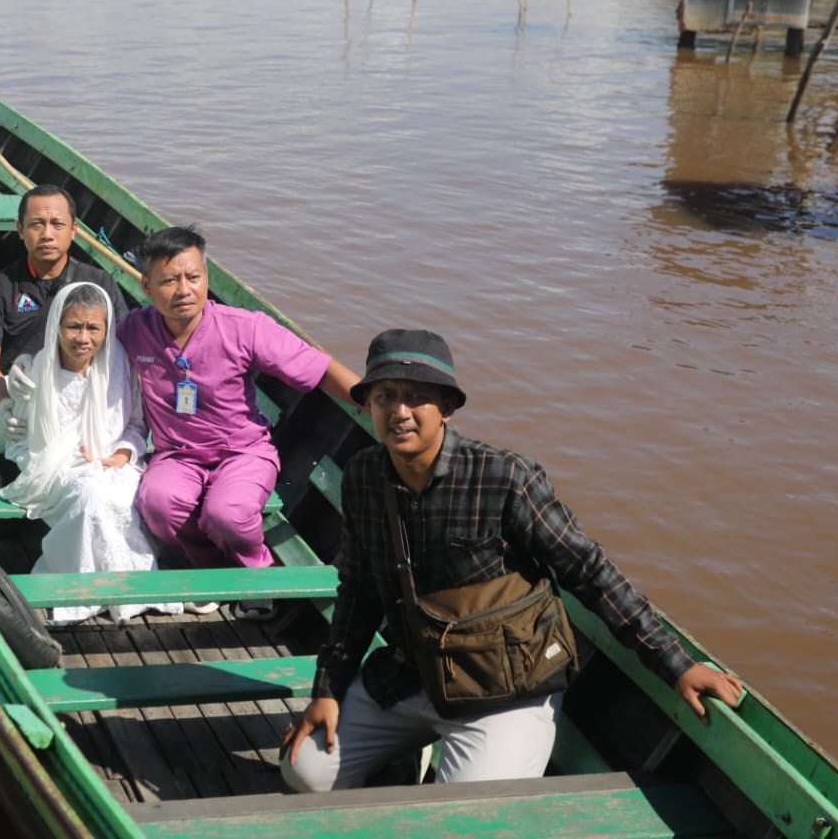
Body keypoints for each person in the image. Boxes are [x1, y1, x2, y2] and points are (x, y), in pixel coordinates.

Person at [281, 329, 745, 791]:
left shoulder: (505, 478)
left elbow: (590, 571)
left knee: (468, 823)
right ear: (369, 405)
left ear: (447, 408)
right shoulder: (364, 476)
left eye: (417, 397)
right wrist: (329, 689)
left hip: (503, 690)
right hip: (410, 674)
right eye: (385, 396)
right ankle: (401, 762)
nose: (399, 411)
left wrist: (676, 664)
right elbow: (358, 593)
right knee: (305, 770)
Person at [117, 226, 360, 618]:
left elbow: (315, 367)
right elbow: (89, 358)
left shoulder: (243, 327)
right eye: (168, 280)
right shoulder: (133, 329)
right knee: (157, 505)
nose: (183, 290)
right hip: (177, 454)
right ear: (147, 286)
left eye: (193, 277)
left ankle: (255, 572)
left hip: (242, 452)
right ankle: (212, 567)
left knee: (227, 513)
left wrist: (375, 399)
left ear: (207, 278)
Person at [0, 282, 181, 625]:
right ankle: (85, 592)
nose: (83, 338)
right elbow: (19, 442)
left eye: (93, 328)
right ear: (57, 327)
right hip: (56, 471)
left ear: (106, 328)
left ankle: (124, 589)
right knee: (91, 496)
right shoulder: (37, 371)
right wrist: (51, 463)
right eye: (74, 326)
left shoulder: (119, 366)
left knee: (120, 497)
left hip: (113, 463)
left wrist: (122, 456)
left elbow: (137, 425)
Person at [0, 185, 128, 454]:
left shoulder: (99, 284)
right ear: (20, 229)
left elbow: (123, 355)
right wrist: (5, 406)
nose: (47, 234)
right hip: (16, 391)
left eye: (57, 224)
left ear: (74, 230)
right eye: (37, 224)